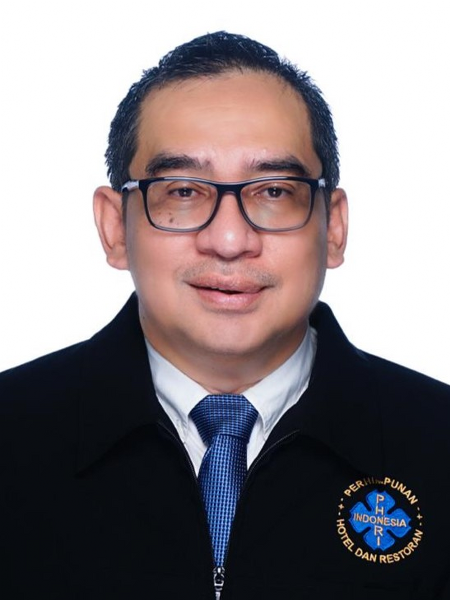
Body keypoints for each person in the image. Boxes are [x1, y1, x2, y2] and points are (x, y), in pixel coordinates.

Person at [1, 31, 449, 600]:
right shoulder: (12, 435)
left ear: (333, 227)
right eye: (183, 192)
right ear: (115, 228)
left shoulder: (438, 444)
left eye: (274, 192)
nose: (231, 240)